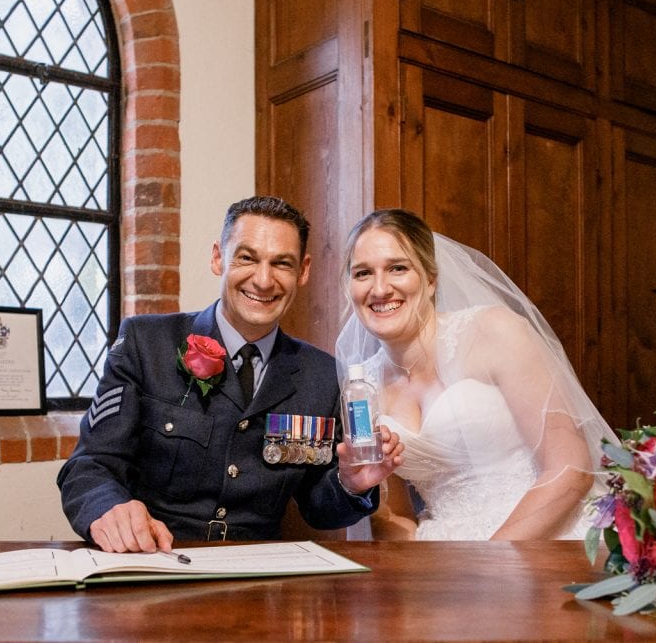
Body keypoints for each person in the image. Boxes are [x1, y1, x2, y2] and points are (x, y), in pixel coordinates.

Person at [58, 196, 403, 553]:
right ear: (218, 258)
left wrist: (350, 484)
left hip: (260, 578)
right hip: (154, 560)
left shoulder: (323, 376)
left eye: (281, 264)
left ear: (303, 270)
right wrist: (108, 507)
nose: (264, 280)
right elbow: (90, 465)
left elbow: (319, 510)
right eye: (246, 257)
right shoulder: (146, 344)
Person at [335, 209, 617, 540]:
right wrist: (408, 575)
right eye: (363, 273)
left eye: (398, 268)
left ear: (430, 279)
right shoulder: (360, 389)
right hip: (442, 556)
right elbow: (392, 513)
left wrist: (489, 562)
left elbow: (571, 469)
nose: (380, 288)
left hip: (544, 536)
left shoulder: (493, 331)